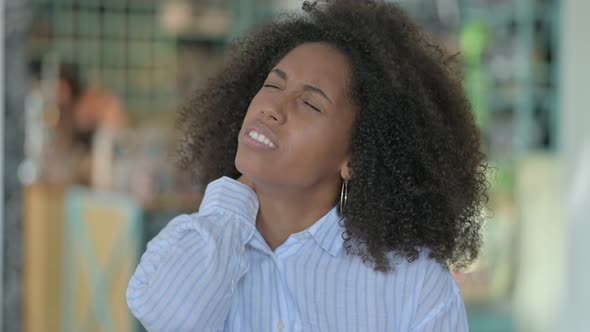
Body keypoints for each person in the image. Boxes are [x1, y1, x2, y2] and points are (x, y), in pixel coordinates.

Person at [126, 1, 488, 331]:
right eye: (271, 85)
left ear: (357, 156)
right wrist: (232, 203)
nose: (272, 108)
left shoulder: (414, 283)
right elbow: (168, 318)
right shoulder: (194, 242)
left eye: (310, 104)